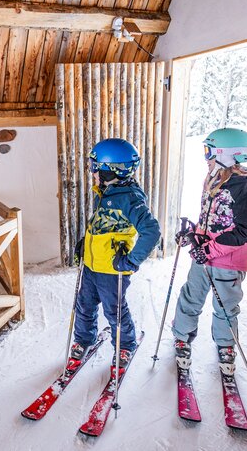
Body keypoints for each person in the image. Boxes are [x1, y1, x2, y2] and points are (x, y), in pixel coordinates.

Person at [171, 128, 247, 375]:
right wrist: (193, 233)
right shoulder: (213, 180)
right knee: (190, 296)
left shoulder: (245, 188)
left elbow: (245, 231)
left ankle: (225, 346)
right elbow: (211, 220)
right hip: (203, 256)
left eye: (209, 151)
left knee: (225, 306)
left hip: (227, 262)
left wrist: (209, 249)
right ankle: (182, 336)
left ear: (227, 154)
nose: (207, 157)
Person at [71, 138, 161, 371]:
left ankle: (125, 345)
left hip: (112, 268)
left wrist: (131, 261)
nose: (92, 172)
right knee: (84, 305)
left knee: (114, 310)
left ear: (110, 170)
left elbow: (152, 231)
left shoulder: (129, 198)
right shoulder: (105, 192)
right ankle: (84, 340)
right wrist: (85, 243)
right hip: (92, 265)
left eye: (95, 166)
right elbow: (103, 225)